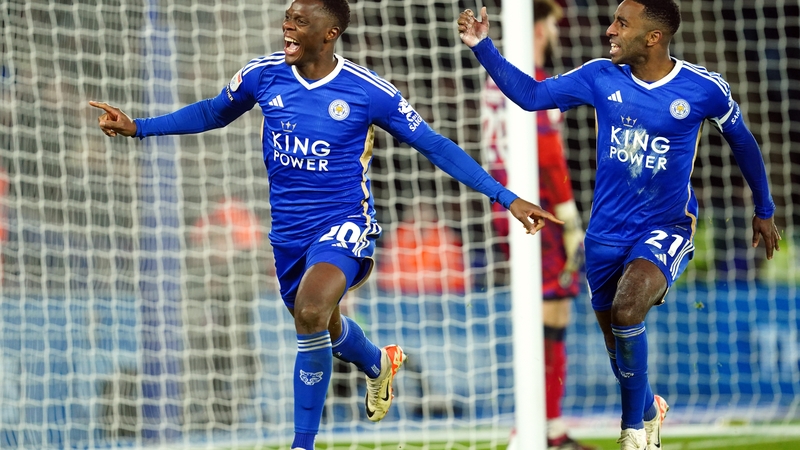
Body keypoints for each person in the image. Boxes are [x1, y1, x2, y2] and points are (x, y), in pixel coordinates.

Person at [89, 1, 562, 448]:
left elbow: (435, 145)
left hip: (344, 224)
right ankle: (378, 362)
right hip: (288, 235)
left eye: (299, 20)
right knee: (323, 324)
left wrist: (507, 197)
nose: (287, 26)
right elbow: (214, 112)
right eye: (287, 17)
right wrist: (141, 126)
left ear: (329, 33)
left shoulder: (366, 90)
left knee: (311, 312)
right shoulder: (262, 74)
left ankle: (302, 443)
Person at [458, 1, 781, 449]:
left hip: (668, 225)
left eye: (621, 24)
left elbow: (743, 143)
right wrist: (482, 46)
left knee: (629, 311)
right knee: (618, 343)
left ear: (653, 38)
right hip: (606, 234)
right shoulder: (599, 76)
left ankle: (633, 433)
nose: (610, 30)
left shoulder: (704, 89)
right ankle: (650, 408)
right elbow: (531, 96)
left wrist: (763, 208)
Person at [482, 2, 595, 449]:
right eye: (548, 25)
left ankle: (545, 427)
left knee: (545, 310)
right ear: (535, 28)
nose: (552, 34)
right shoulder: (531, 80)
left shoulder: (497, 81)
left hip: (505, 203)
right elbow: (547, 152)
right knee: (553, 311)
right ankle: (538, 428)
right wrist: (568, 217)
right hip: (538, 209)